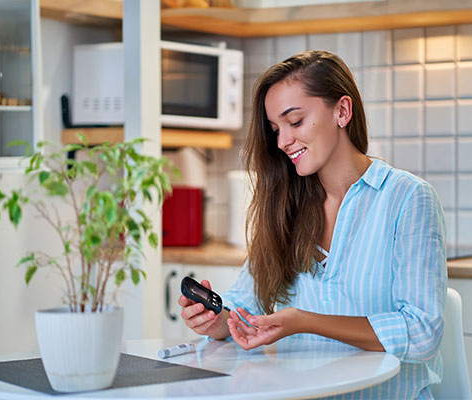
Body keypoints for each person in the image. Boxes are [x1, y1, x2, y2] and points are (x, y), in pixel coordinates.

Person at [178, 50, 447, 399]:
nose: (282, 141)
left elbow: (423, 332)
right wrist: (217, 322)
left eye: (295, 121)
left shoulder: (408, 198)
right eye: (276, 129)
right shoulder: (285, 207)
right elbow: (245, 304)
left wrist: (305, 321)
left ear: (342, 111)